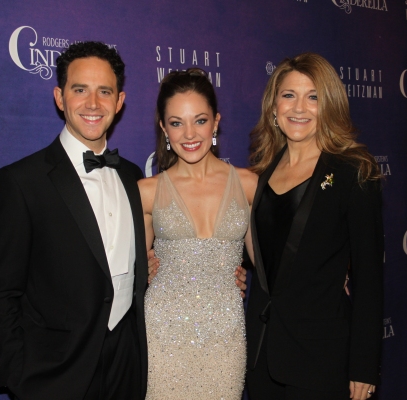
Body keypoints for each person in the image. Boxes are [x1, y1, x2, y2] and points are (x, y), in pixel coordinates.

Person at [0, 41, 151, 400]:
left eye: (105, 91)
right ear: (60, 97)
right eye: (80, 90)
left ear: (119, 102)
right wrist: (18, 375)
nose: (93, 104)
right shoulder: (21, 182)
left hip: (127, 365)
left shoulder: (135, 177)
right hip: (55, 374)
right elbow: (0, 293)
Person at [245, 53, 384, 400]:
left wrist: (363, 366)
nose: (299, 107)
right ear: (274, 107)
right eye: (289, 95)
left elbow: (369, 279)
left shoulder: (354, 172)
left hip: (321, 358)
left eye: (314, 97)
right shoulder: (261, 172)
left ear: (329, 106)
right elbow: (263, 256)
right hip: (263, 352)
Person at [138, 68, 257, 399]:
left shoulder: (249, 185)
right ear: (163, 128)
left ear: (216, 122)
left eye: (200, 120)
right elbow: (117, 270)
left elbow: (275, 262)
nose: (189, 133)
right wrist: (140, 271)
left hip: (225, 339)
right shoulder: (146, 192)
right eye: (176, 123)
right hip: (163, 337)